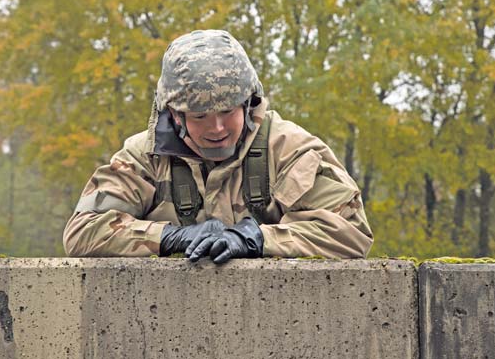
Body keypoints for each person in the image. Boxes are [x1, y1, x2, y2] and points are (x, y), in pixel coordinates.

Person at [63, 29, 373, 263]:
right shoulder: (146, 156)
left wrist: (257, 238)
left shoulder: (288, 149)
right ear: (175, 115)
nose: (217, 128)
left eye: (227, 111)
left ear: (248, 103)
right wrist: (170, 237)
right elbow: (82, 232)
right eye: (200, 116)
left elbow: (351, 233)